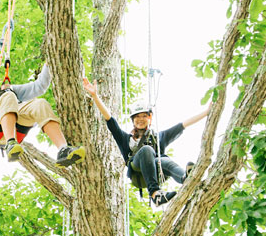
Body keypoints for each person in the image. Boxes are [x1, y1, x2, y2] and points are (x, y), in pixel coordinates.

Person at [83, 78, 209, 206]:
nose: (140, 119)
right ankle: (155, 194)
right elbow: (110, 119)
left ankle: (185, 178)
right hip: (137, 171)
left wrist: (206, 113)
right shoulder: (126, 139)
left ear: (150, 118)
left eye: (144, 116)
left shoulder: (160, 136)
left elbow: (183, 124)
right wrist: (95, 96)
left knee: (164, 160)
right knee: (147, 150)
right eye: (137, 116)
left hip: (156, 170)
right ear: (133, 120)